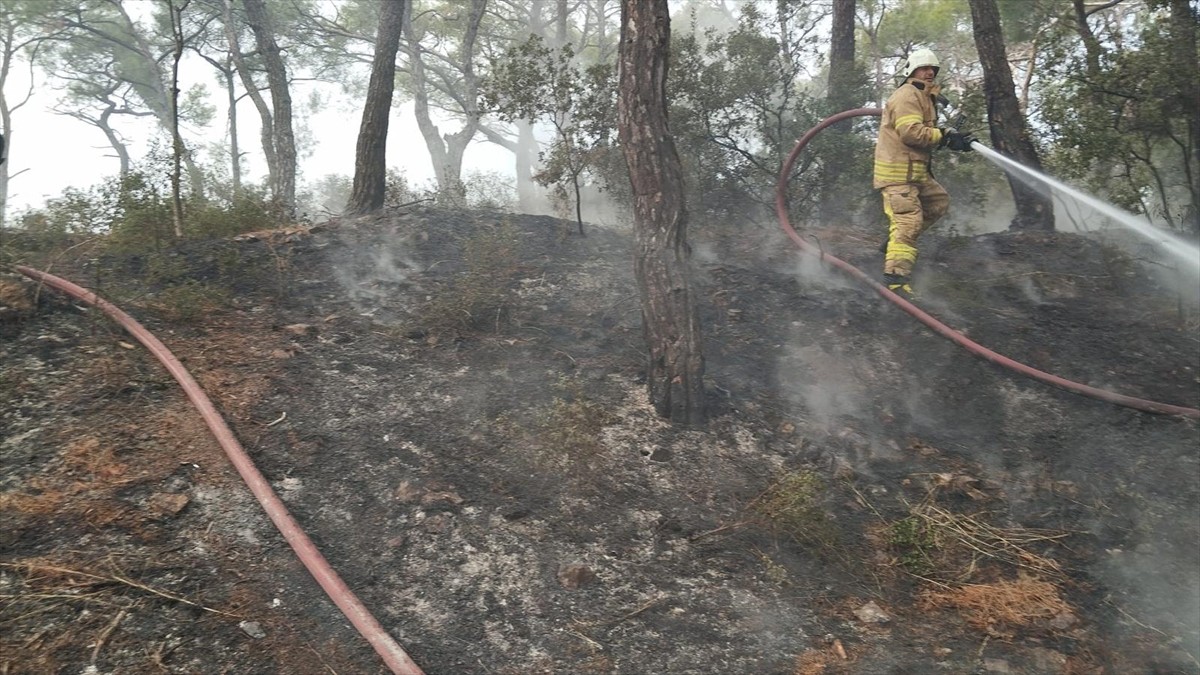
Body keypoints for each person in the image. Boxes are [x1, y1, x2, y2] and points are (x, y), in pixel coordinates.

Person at [873, 48, 974, 297]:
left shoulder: (924, 96)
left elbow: (928, 132)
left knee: (938, 203)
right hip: (899, 175)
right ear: (911, 71)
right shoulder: (907, 95)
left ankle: (895, 244)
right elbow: (910, 133)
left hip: (915, 172)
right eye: (924, 68)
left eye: (933, 69)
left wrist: (950, 136)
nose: (930, 72)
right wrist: (945, 137)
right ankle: (895, 281)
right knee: (908, 223)